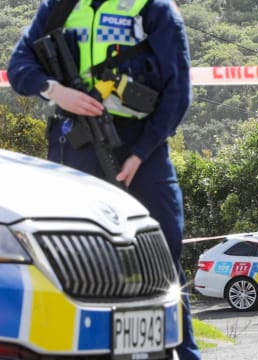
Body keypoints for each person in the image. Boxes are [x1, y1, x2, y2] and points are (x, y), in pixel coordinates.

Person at [7, 1, 200, 358]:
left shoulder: (154, 8)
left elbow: (178, 91)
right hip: (74, 150)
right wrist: (55, 90)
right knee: (72, 263)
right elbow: (19, 66)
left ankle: (182, 352)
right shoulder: (59, 6)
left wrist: (140, 154)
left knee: (163, 264)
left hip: (143, 152)